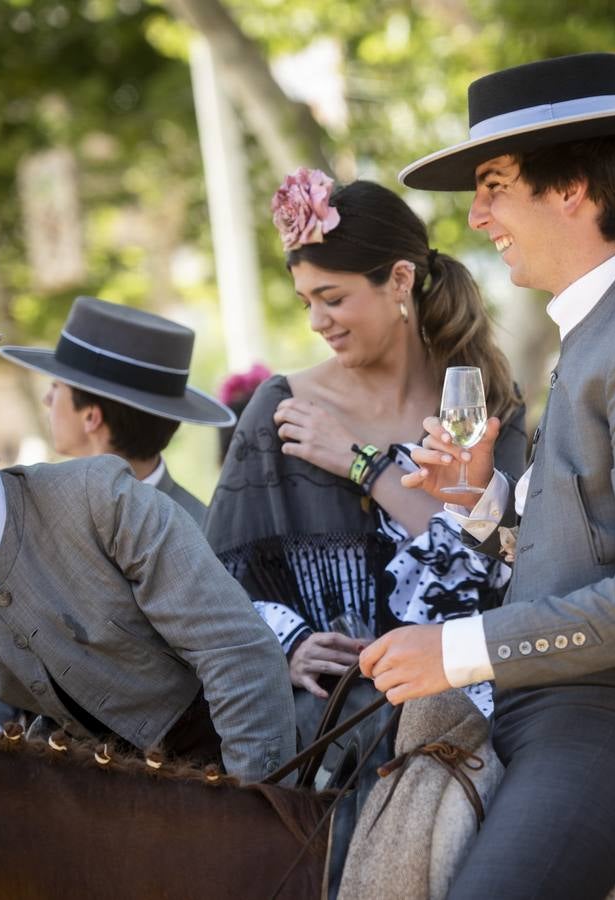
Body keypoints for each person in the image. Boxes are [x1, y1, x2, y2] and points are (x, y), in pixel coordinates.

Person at [360, 52, 615, 897]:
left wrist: (457, 650)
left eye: (494, 184)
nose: (475, 217)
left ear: (573, 188)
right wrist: (482, 500)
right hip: (567, 695)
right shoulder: (607, 324)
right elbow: (589, 544)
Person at [0, 330, 295, 783]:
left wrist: (254, 806)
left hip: (235, 773)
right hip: (93, 808)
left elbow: (236, 654)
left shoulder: (100, 501)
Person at [203, 173, 525, 730]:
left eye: (332, 298)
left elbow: (513, 557)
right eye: (306, 301)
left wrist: (366, 468)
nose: (316, 321)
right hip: (334, 732)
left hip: (488, 711)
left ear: (399, 280)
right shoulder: (280, 411)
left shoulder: (481, 402)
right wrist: (287, 645)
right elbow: (214, 582)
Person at [0, 295, 235, 528]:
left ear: (91, 417)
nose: (47, 399)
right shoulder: (43, 517)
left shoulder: (198, 536)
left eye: (56, 387)